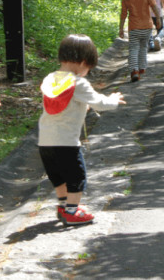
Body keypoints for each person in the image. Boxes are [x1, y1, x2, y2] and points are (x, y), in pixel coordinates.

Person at [38, 35, 126, 226]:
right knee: (76, 177)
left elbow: (58, 104)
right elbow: (99, 102)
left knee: (58, 176)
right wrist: (113, 99)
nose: (87, 72)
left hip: (45, 141)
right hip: (66, 142)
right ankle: (72, 211)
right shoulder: (77, 82)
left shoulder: (50, 79)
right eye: (89, 68)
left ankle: (63, 205)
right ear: (84, 62)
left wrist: (80, 106)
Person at [119, 0, 162, 82]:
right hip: (147, 27)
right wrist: (158, 19)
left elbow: (123, 15)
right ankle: (142, 68)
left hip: (134, 28)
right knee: (143, 47)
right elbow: (154, 6)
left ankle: (134, 70)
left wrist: (121, 29)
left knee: (133, 49)